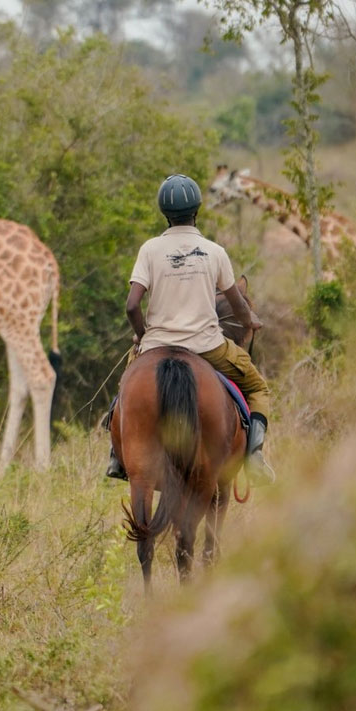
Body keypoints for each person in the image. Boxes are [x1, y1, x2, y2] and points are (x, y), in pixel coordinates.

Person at [106, 174, 276, 484]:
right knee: (258, 388)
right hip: (207, 346)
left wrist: (144, 336)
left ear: (164, 213)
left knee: (125, 392)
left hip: (156, 344)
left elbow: (132, 306)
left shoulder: (149, 249)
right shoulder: (214, 251)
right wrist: (251, 320)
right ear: (196, 210)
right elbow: (237, 305)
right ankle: (253, 458)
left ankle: (117, 457)